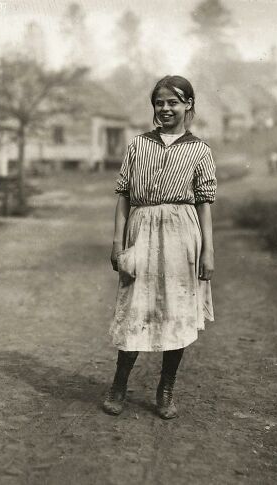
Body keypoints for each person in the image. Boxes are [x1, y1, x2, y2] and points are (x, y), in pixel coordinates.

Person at [104, 76, 216, 419]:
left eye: (173, 102)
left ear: (188, 105)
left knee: (177, 311)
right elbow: (123, 196)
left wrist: (208, 251)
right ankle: (119, 385)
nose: (165, 109)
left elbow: (204, 204)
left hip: (183, 235)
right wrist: (117, 242)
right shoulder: (138, 145)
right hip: (142, 231)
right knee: (134, 307)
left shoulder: (200, 150)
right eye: (159, 103)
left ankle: (166, 388)